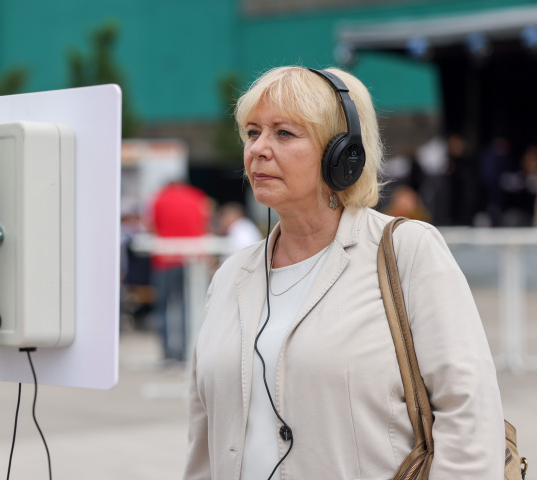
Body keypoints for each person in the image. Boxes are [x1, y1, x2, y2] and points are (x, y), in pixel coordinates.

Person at [183, 66, 504, 479]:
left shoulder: (408, 252)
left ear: (344, 154)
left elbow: (470, 417)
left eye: (284, 133)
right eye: (251, 132)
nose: (259, 148)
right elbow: (203, 438)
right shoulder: (229, 277)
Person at [148, 181, 211, 363]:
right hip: (191, 260)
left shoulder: (159, 199)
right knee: (188, 307)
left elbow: (154, 225)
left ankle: (168, 354)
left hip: (164, 259)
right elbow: (204, 223)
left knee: (164, 307)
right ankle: (186, 352)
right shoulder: (197, 196)